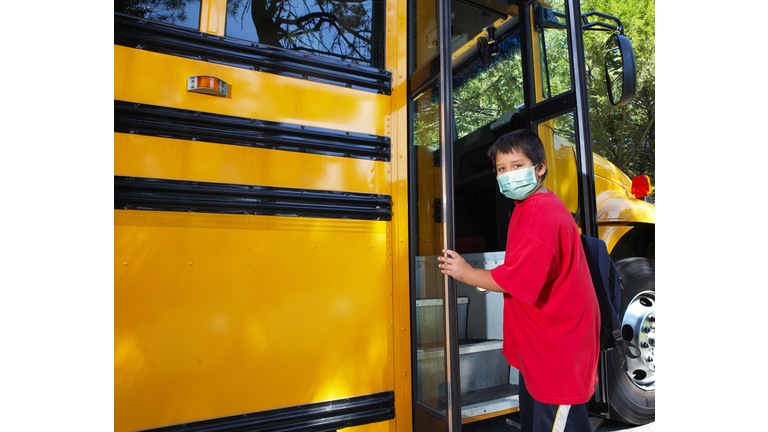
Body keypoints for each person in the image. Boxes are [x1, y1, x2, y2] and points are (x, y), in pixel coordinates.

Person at [437, 129, 599, 432]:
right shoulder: (526, 207)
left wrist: (466, 272)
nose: (508, 174)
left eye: (517, 166)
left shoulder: (542, 213)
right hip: (541, 348)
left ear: (540, 168)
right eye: (501, 169)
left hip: (557, 352)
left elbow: (519, 279)